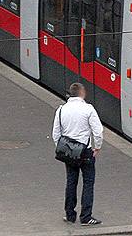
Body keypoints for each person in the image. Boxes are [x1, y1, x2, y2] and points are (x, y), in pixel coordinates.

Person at [52, 82, 103, 226]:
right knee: (88, 183)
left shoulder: (61, 110)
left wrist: (62, 148)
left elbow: (56, 133)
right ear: (82, 93)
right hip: (86, 152)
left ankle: (70, 214)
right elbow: (98, 131)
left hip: (69, 152)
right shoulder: (88, 109)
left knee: (71, 182)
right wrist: (97, 147)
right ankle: (86, 216)